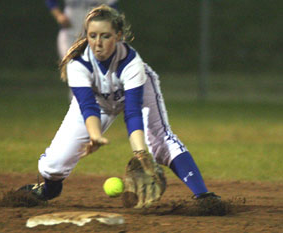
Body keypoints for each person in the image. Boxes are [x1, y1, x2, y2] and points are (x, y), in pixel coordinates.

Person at [19, 5, 219, 204]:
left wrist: (140, 153)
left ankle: (203, 196)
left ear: (118, 36)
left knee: (160, 139)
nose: (98, 43)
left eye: (105, 36)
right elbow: (88, 106)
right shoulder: (78, 64)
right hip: (97, 103)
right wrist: (95, 136)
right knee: (53, 164)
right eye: (93, 35)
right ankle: (48, 190)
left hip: (140, 90)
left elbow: (132, 113)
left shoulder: (132, 63)